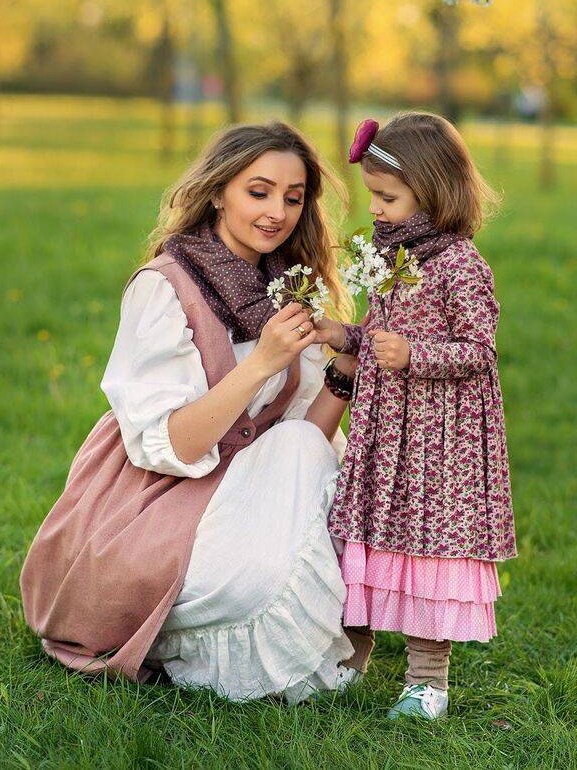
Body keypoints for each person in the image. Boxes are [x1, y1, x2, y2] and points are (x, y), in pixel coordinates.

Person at [20, 121, 370, 702]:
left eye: (293, 198)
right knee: (248, 584)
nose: (277, 213)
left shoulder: (290, 287)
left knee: (306, 455)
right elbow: (171, 445)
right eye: (258, 192)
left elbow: (301, 443)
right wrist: (262, 362)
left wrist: (347, 369)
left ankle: (250, 623)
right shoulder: (165, 286)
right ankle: (177, 627)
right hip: (159, 490)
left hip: (247, 486)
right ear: (218, 193)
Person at [324, 112, 517, 720]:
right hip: (387, 432)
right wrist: (346, 335)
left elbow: (479, 350)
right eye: (373, 196)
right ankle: (348, 658)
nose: (375, 209)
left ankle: (427, 681)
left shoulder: (459, 263)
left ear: (432, 191)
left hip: (438, 439)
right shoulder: (394, 255)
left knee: (428, 546)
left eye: (387, 198)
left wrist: (416, 356)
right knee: (370, 534)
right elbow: (384, 334)